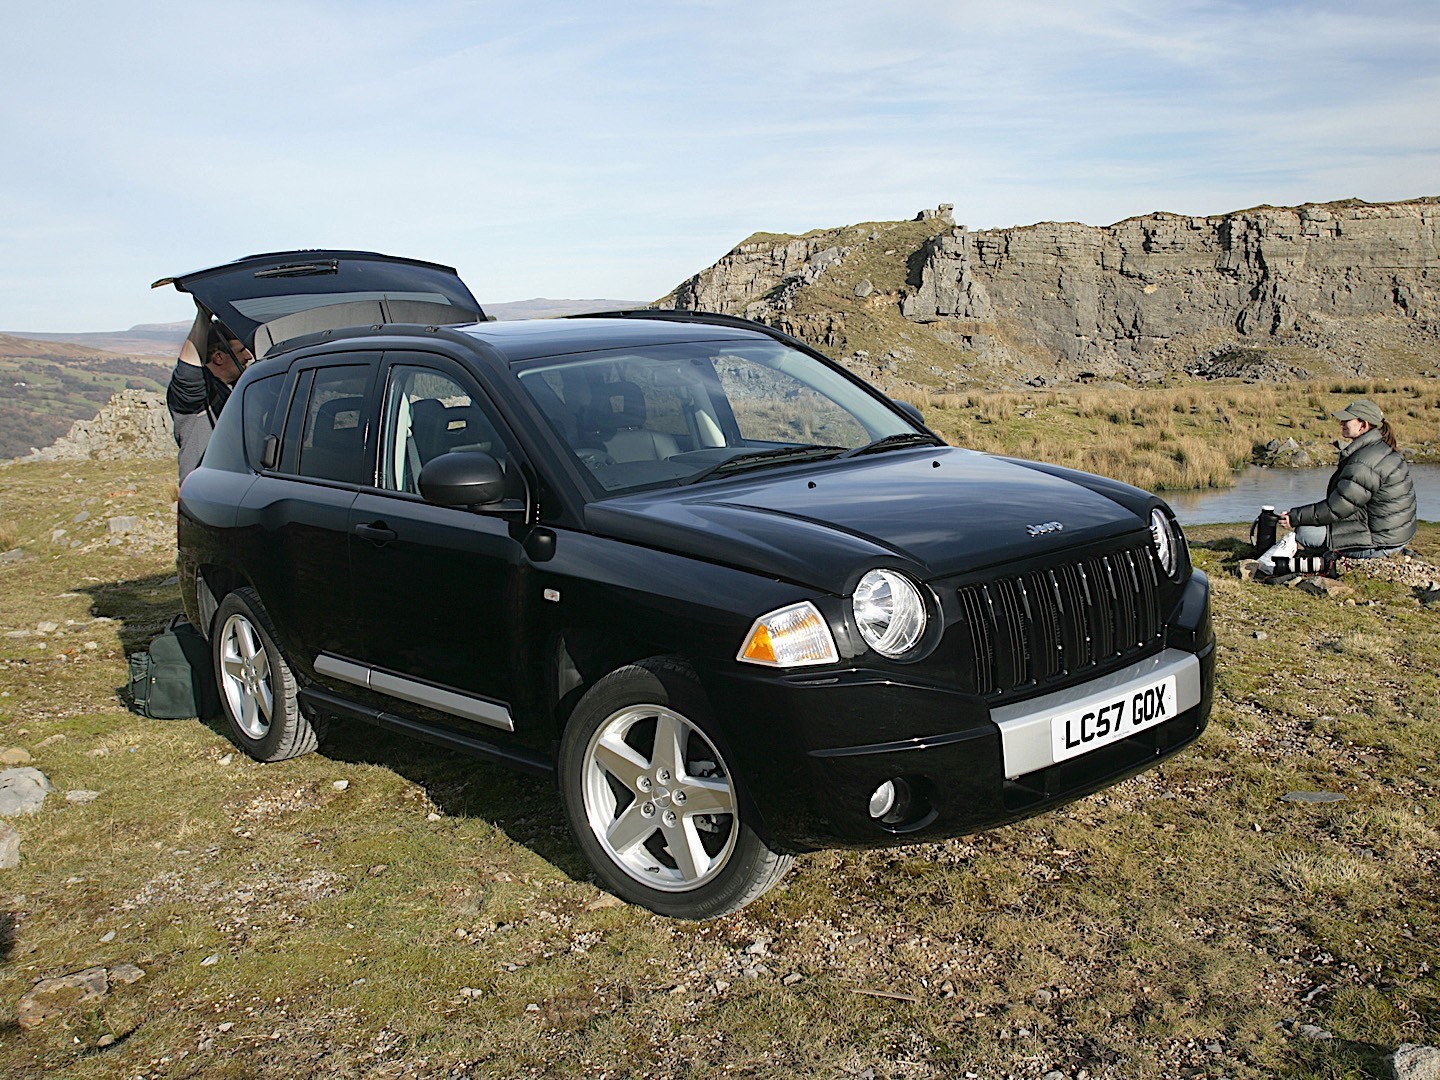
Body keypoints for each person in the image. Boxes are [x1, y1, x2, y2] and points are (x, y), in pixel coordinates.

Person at [1278, 399, 1416, 558]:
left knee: (1305, 532)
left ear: (1363, 425)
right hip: (1393, 533)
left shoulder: (1364, 463)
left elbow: (1335, 508)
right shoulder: (1379, 448)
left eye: (1347, 420)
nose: (1341, 423)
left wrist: (1295, 517)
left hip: (1381, 542)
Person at [167, 311, 252, 482]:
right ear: (219, 357)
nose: (248, 356)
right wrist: (203, 315)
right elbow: (188, 373)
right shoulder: (198, 396)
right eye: (241, 350)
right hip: (204, 491)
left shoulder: (229, 390)